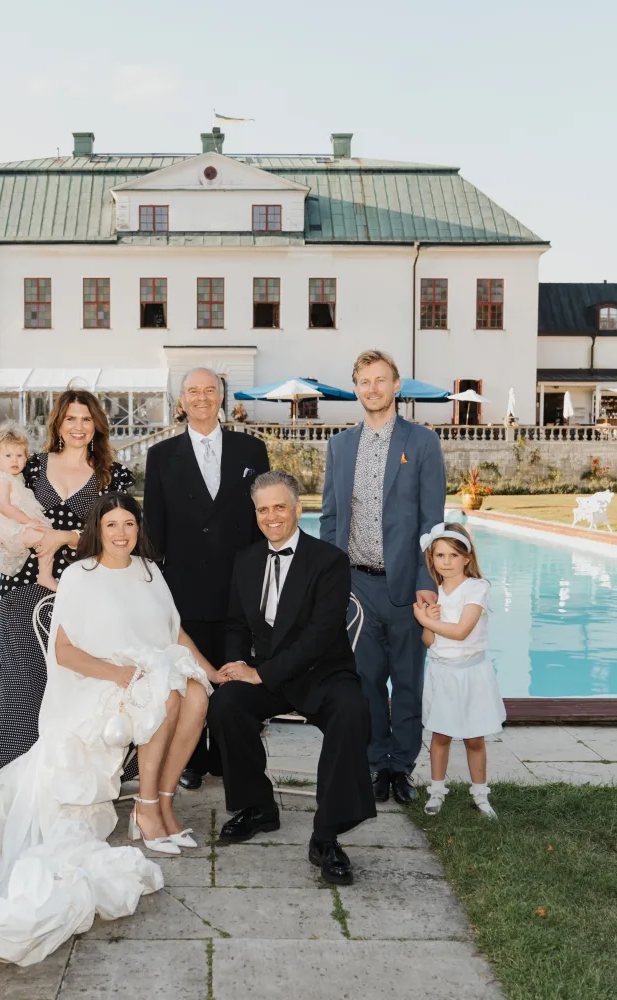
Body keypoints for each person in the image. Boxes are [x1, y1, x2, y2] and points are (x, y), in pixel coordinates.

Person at [0, 493, 216, 976]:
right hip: (95, 684)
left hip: (147, 672)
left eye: (129, 524)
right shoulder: (80, 575)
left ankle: (161, 801)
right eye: (112, 524)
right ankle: (145, 811)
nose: (122, 533)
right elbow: (67, 653)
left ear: (139, 528)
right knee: (168, 698)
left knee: (196, 695)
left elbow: (176, 634)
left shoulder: (149, 572)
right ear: (98, 529)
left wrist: (211, 670)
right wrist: (120, 675)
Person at [208, 471, 377, 885]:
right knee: (225, 705)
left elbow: (320, 637)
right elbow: (234, 625)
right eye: (263, 509)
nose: (271, 516)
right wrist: (234, 669)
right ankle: (258, 807)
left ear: (298, 509)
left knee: (352, 710)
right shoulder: (245, 560)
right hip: (268, 676)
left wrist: (260, 673)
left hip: (322, 673)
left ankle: (327, 835)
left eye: (279, 506)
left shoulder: (329, 560)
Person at [0, 388, 135, 780]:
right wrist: (25, 539)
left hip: (86, 591)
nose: (79, 426)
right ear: (58, 424)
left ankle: (75, 780)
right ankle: (12, 778)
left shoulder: (112, 474)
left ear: (96, 424)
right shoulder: (29, 467)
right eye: (71, 418)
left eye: (86, 418)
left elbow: (120, 535)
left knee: (78, 685)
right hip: (25, 585)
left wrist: (64, 537)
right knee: (23, 685)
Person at [319, 350, 446, 806]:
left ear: (397, 386)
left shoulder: (423, 443)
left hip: (407, 586)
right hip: (357, 586)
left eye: (380, 380)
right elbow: (330, 518)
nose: (372, 388)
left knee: (408, 680)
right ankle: (377, 763)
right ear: (355, 388)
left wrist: (425, 581)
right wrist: (333, 583)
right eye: (363, 381)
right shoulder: (339, 446)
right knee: (366, 681)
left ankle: (402, 766)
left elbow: (432, 522)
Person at [145, 367, 270, 789]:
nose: (202, 397)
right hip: (185, 590)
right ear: (181, 401)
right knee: (190, 675)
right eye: (193, 391)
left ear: (222, 397)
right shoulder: (160, 456)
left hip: (239, 589)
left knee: (235, 670)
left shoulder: (252, 450)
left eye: (210, 390)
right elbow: (154, 531)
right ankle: (191, 759)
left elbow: (262, 522)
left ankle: (230, 756)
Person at [411, 522, 504, 819]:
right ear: (432, 560)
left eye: (453, 555)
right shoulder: (435, 595)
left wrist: (425, 620)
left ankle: (480, 795)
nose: (446, 562)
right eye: (440, 556)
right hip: (443, 673)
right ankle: (437, 791)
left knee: (474, 738)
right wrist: (428, 619)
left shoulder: (478, 588)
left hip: (471, 673)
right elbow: (429, 642)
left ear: (466, 558)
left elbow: (463, 631)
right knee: (441, 736)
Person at [0, 423, 57, 590]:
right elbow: (5, 507)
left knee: (47, 536)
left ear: (26, 458)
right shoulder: (1, 479)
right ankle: (45, 576)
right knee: (45, 536)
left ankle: (45, 574)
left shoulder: (15, 479)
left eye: (19, 455)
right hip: (6, 526)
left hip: (14, 523)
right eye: (8, 455)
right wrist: (30, 521)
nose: (14, 460)